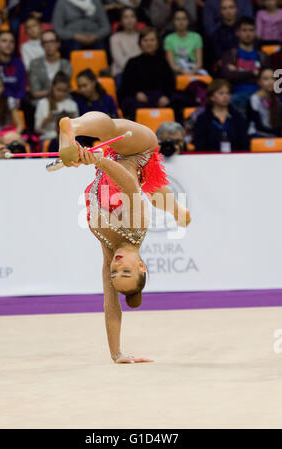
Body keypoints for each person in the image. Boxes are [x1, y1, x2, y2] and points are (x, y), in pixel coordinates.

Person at [57, 111, 191, 363]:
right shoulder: (135, 226)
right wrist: (96, 160)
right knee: (108, 129)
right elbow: (130, 185)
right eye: (126, 272)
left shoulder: (111, 253)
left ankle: (180, 213)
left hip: (119, 164)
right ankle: (73, 126)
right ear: (141, 266)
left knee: (157, 193)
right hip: (139, 150)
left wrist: (117, 354)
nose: (116, 269)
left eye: (116, 274)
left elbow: (111, 305)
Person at [119, 27, 175, 120]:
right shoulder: (132, 62)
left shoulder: (163, 62)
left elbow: (170, 83)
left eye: (152, 40)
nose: (149, 43)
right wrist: (136, 94)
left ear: (157, 43)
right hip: (139, 98)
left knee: (175, 102)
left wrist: (166, 96)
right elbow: (126, 85)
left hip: (160, 97)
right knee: (130, 104)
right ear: (140, 43)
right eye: (145, 40)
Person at [219, 17, 271, 116]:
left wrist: (238, 71)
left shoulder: (263, 56)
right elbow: (228, 76)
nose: (248, 34)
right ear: (237, 33)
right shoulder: (230, 54)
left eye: (251, 30)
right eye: (244, 30)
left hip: (260, 96)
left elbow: (268, 79)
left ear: (255, 33)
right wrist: (253, 73)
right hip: (237, 97)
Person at [193, 79, 249, 152]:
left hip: (235, 159)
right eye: (221, 93)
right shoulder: (203, 118)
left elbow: (244, 144)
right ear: (211, 97)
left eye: (228, 93)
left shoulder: (238, 117)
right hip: (209, 159)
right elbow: (199, 145)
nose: (225, 96)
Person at [29, 30, 73, 102]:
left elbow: (65, 88)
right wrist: (55, 91)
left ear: (58, 43)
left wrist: (52, 91)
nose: (49, 45)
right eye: (45, 42)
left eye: (51, 41)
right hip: (41, 102)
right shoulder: (35, 64)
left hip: (63, 100)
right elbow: (35, 93)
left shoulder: (66, 64)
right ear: (42, 45)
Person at [34, 72, 79, 141]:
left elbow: (77, 127)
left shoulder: (72, 104)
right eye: (59, 90)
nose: (61, 93)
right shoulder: (43, 103)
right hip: (48, 138)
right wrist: (47, 120)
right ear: (52, 87)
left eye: (64, 91)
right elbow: (37, 129)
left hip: (68, 139)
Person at [164, 8, 205, 75]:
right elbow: (171, 65)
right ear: (173, 21)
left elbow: (199, 63)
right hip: (176, 72)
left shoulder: (196, 37)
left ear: (188, 21)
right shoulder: (169, 39)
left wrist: (191, 72)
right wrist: (182, 71)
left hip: (194, 69)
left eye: (184, 19)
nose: (181, 22)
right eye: (178, 19)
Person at [110, 7, 142, 87]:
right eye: (126, 17)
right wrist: (136, 71)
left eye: (132, 16)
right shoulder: (115, 38)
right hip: (122, 73)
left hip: (142, 72)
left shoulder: (142, 37)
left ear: (137, 19)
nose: (129, 20)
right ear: (121, 21)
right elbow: (120, 61)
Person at [247, 67, 282, 138]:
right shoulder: (254, 99)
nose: (270, 82)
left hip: (274, 134)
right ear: (259, 82)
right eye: (266, 79)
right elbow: (258, 125)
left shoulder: (278, 98)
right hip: (258, 135)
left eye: (273, 78)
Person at [211, 0, 239, 64]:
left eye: (231, 7)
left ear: (236, 9)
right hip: (227, 67)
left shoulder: (246, 29)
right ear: (220, 11)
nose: (228, 11)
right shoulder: (216, 35)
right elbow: (219, 59)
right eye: (224, 8)